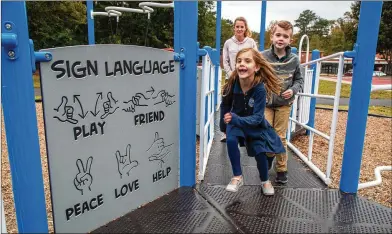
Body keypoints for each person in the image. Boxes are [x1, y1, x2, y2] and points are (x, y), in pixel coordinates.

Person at [219, 48, 285, 195]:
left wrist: (235, 118)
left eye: (247, 61)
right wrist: (223, 125)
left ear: (256, 67)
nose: (242, 64)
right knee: (230, 140)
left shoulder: (259, 88)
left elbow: (257, 118)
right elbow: (225, 104)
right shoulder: (232, 83)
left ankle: (265, 180)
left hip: (254, 124)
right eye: (239, 61)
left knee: (260, 152)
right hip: (235, 122)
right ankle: (237, 176)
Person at [261, 20, 303, 184]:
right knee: (267, 134)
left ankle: (281, 168)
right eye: (278, 35)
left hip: (284, 103)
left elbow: (299, 79)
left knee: (280, 136)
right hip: (266, 102)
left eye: (285, 36)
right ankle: (269, 155)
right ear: (272, 37)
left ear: (290, 40)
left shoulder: (294, 59)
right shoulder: (263, 57)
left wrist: (292, 90)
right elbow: (256, 76)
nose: (281, 38)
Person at [221, 16, 258, 142]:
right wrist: (231, 73)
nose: (239, 29)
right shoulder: (228, 43)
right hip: (231, 77)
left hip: (247, 78)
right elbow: (225, 61)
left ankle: (247, 130)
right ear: (234, 28)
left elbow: (256, 58)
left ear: (245, 28)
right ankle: (226, 131)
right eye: (237, 26)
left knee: (246, 103)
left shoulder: (250, 42)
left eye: (242, 26)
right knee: (227, 102)